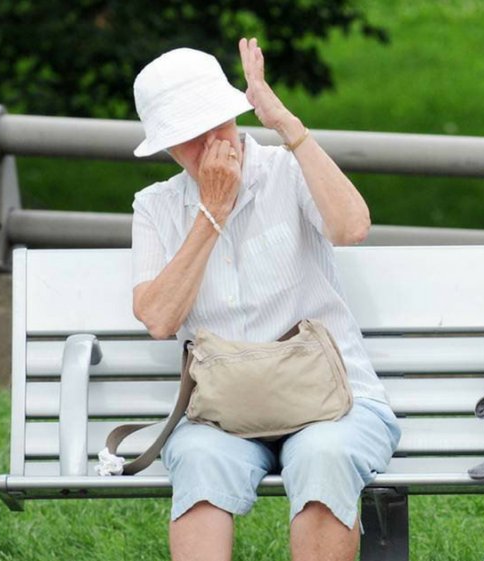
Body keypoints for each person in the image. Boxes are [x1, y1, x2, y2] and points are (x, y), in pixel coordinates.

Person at [128, 38, 400, 561]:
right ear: (166, 145)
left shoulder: (286, 168)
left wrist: (288, 127)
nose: (211, 143)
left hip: (333, 404)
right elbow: (159, 319)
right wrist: (212, 212)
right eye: (189, 136)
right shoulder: (156, 207)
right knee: (199, 460)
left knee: (326, 455)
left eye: (218, 123)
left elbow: (352, 228)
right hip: (225, 413)